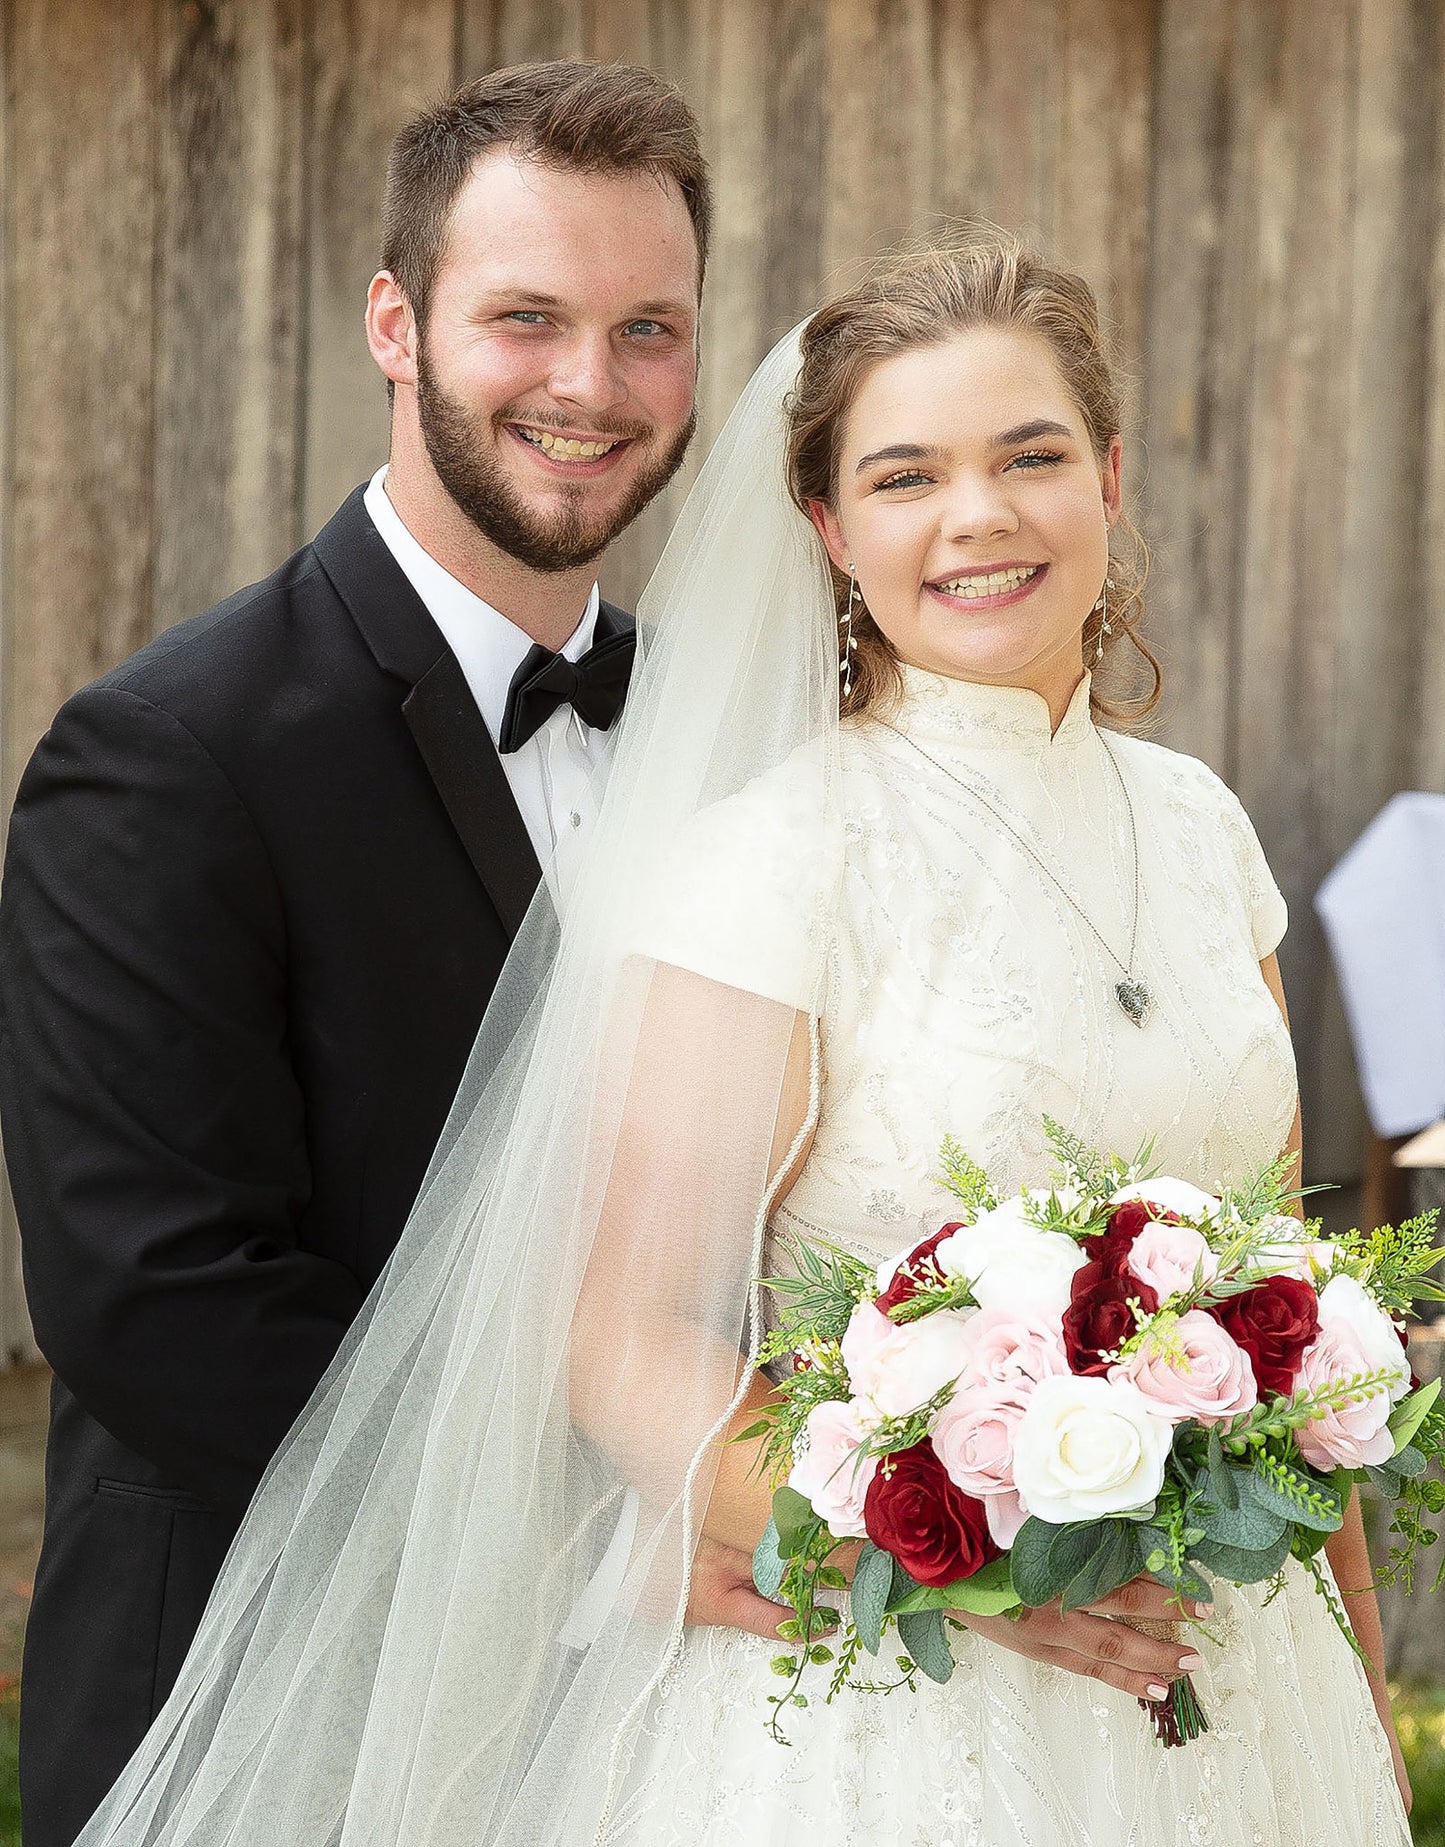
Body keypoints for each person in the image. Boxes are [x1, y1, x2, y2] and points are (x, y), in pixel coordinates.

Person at [71, 235, 1409, 1845]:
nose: (977, 516)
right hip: (903, 1703)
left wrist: (1361, 1692)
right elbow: (627, 1342)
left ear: (1107, 479)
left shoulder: (1200, 827)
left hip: (1246, 1693)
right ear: (832, 532)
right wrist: (957, 1571)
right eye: (906, 475)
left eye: (1030, 456)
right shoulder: (776, 859)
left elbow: (1280, 1300)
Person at [0, 59, 781, 1847]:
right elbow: (162, 1303)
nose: (590, 387)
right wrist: (614, 1550)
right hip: (281, 1703)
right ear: (393, 322)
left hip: (680, 1723)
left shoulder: (735, 747)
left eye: (647, 329)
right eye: (525, 318)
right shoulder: (170, 753)